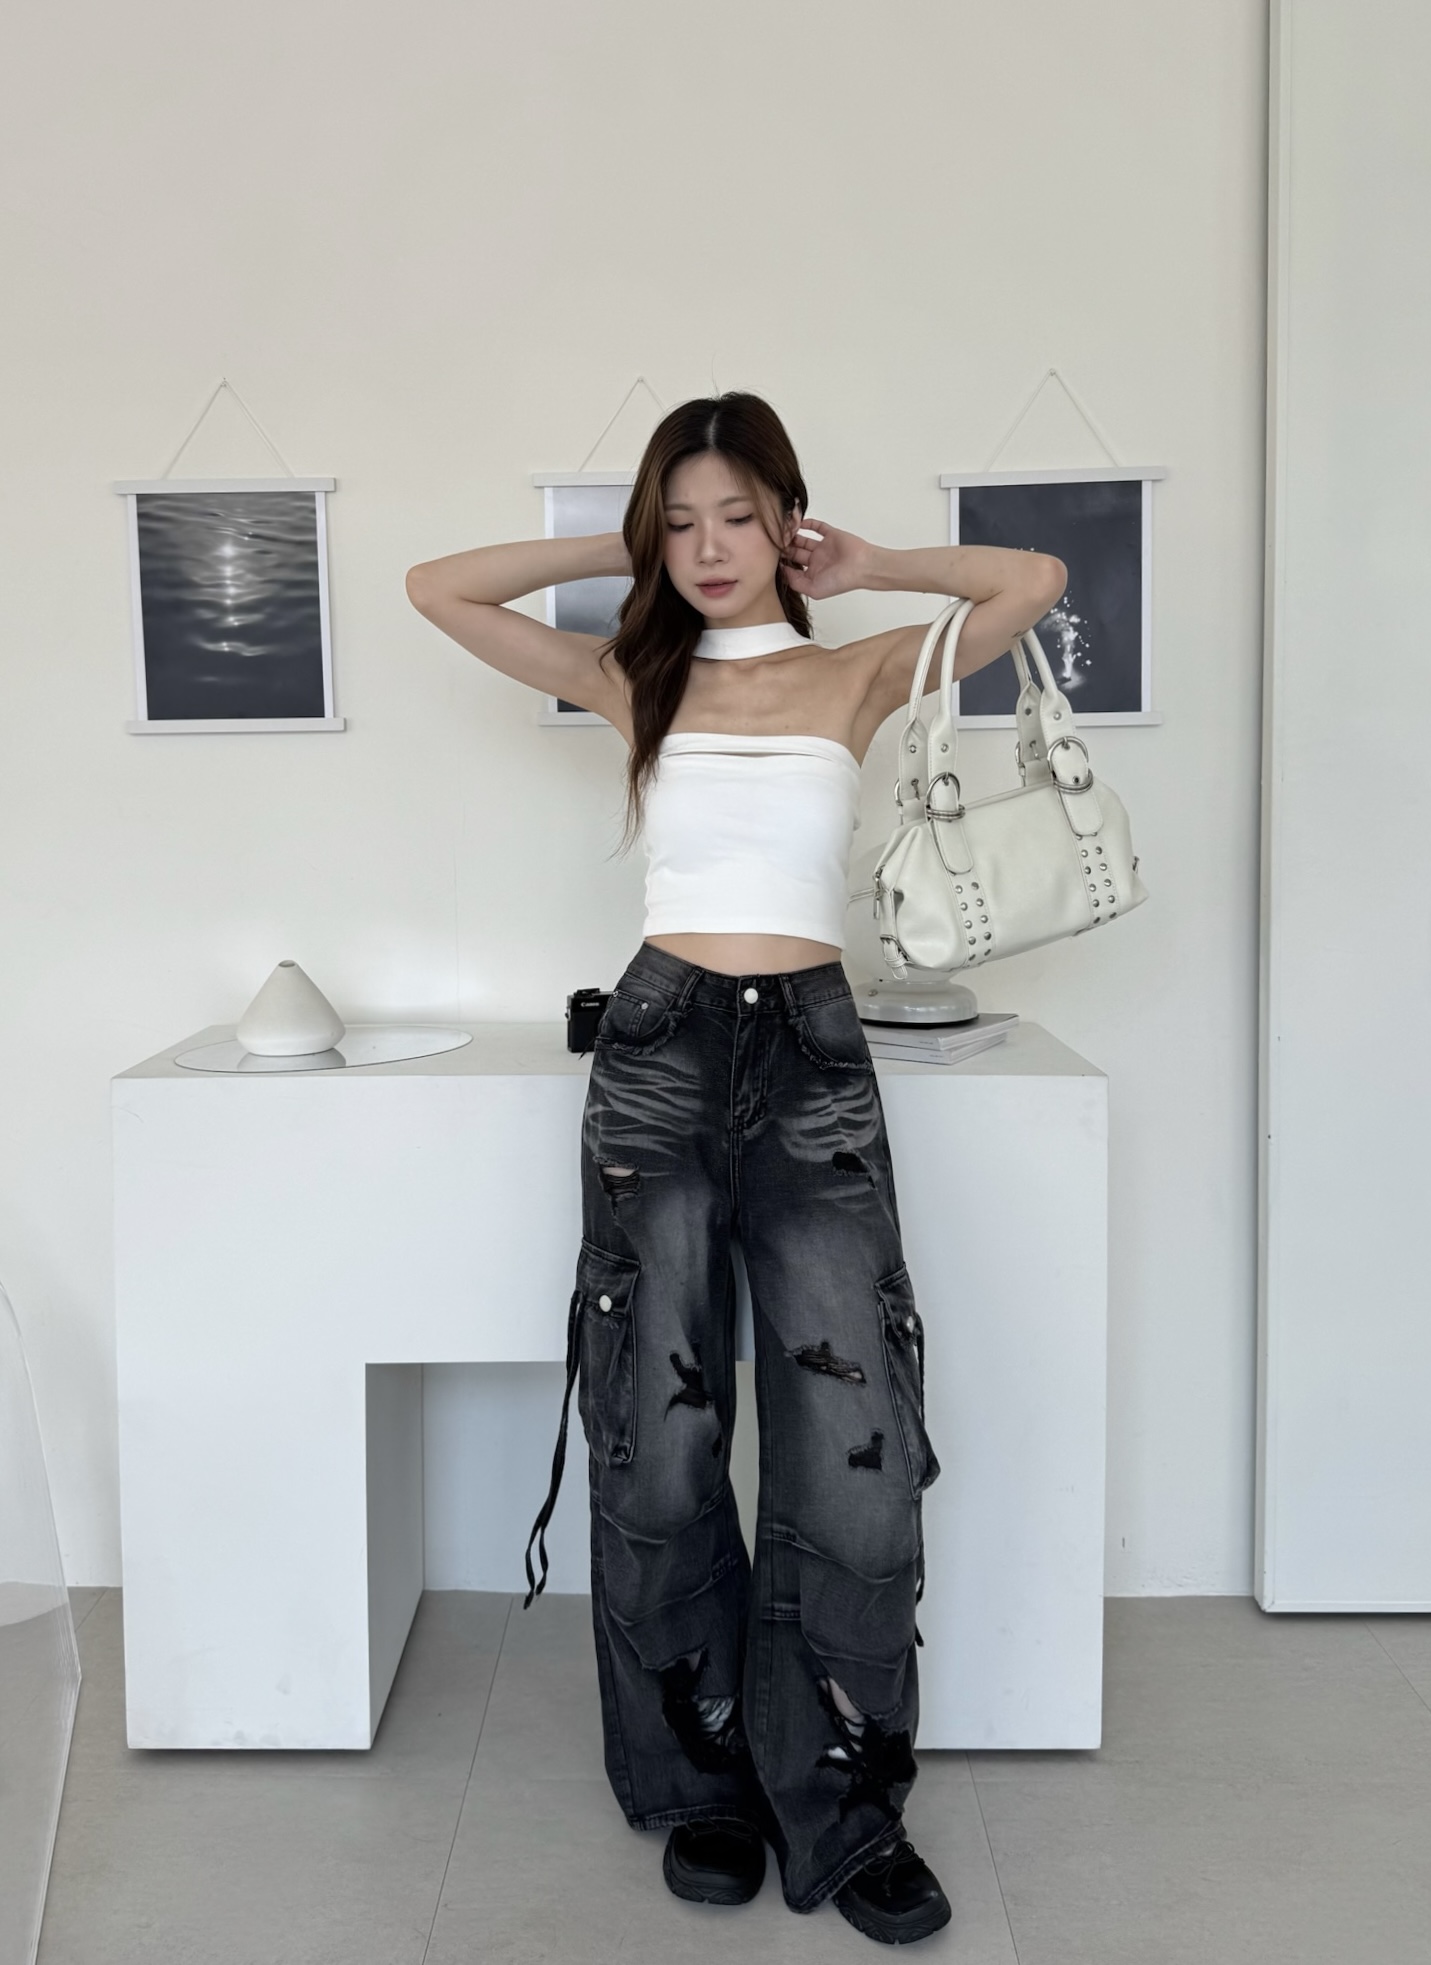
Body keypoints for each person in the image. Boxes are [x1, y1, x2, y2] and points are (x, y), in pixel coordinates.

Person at [405, 394, 1065, 1946]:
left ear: (785, 519)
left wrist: (873, 562)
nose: (708, 547)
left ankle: (841, 1804)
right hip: (659, 1051)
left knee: (854, 1456)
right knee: (659, 1443)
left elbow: (1029, 580)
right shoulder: (633, 677)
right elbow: (437, 588)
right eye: (681, 520)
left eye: (735, 516)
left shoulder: (854, 671)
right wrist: (622, 545)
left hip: (812, 1060)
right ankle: (702, 1781)